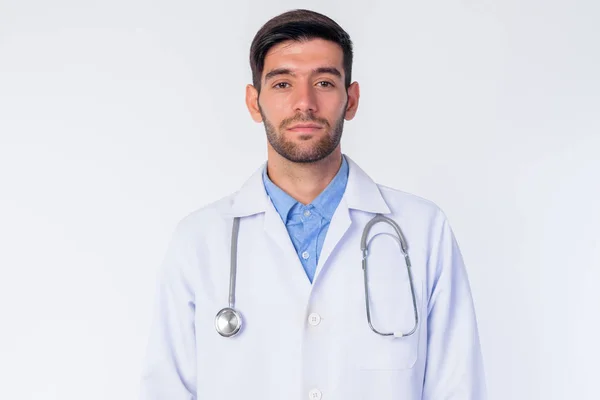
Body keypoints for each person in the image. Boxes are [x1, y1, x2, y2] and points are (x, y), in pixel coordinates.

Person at [139, 8, 486, 400]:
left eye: (323, 82)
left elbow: (458, 387)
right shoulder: (199, 240)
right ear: (254, 103)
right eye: (283, 84)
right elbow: (167, 389)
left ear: (351, 100)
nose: (305, 103)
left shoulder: (423, 229)